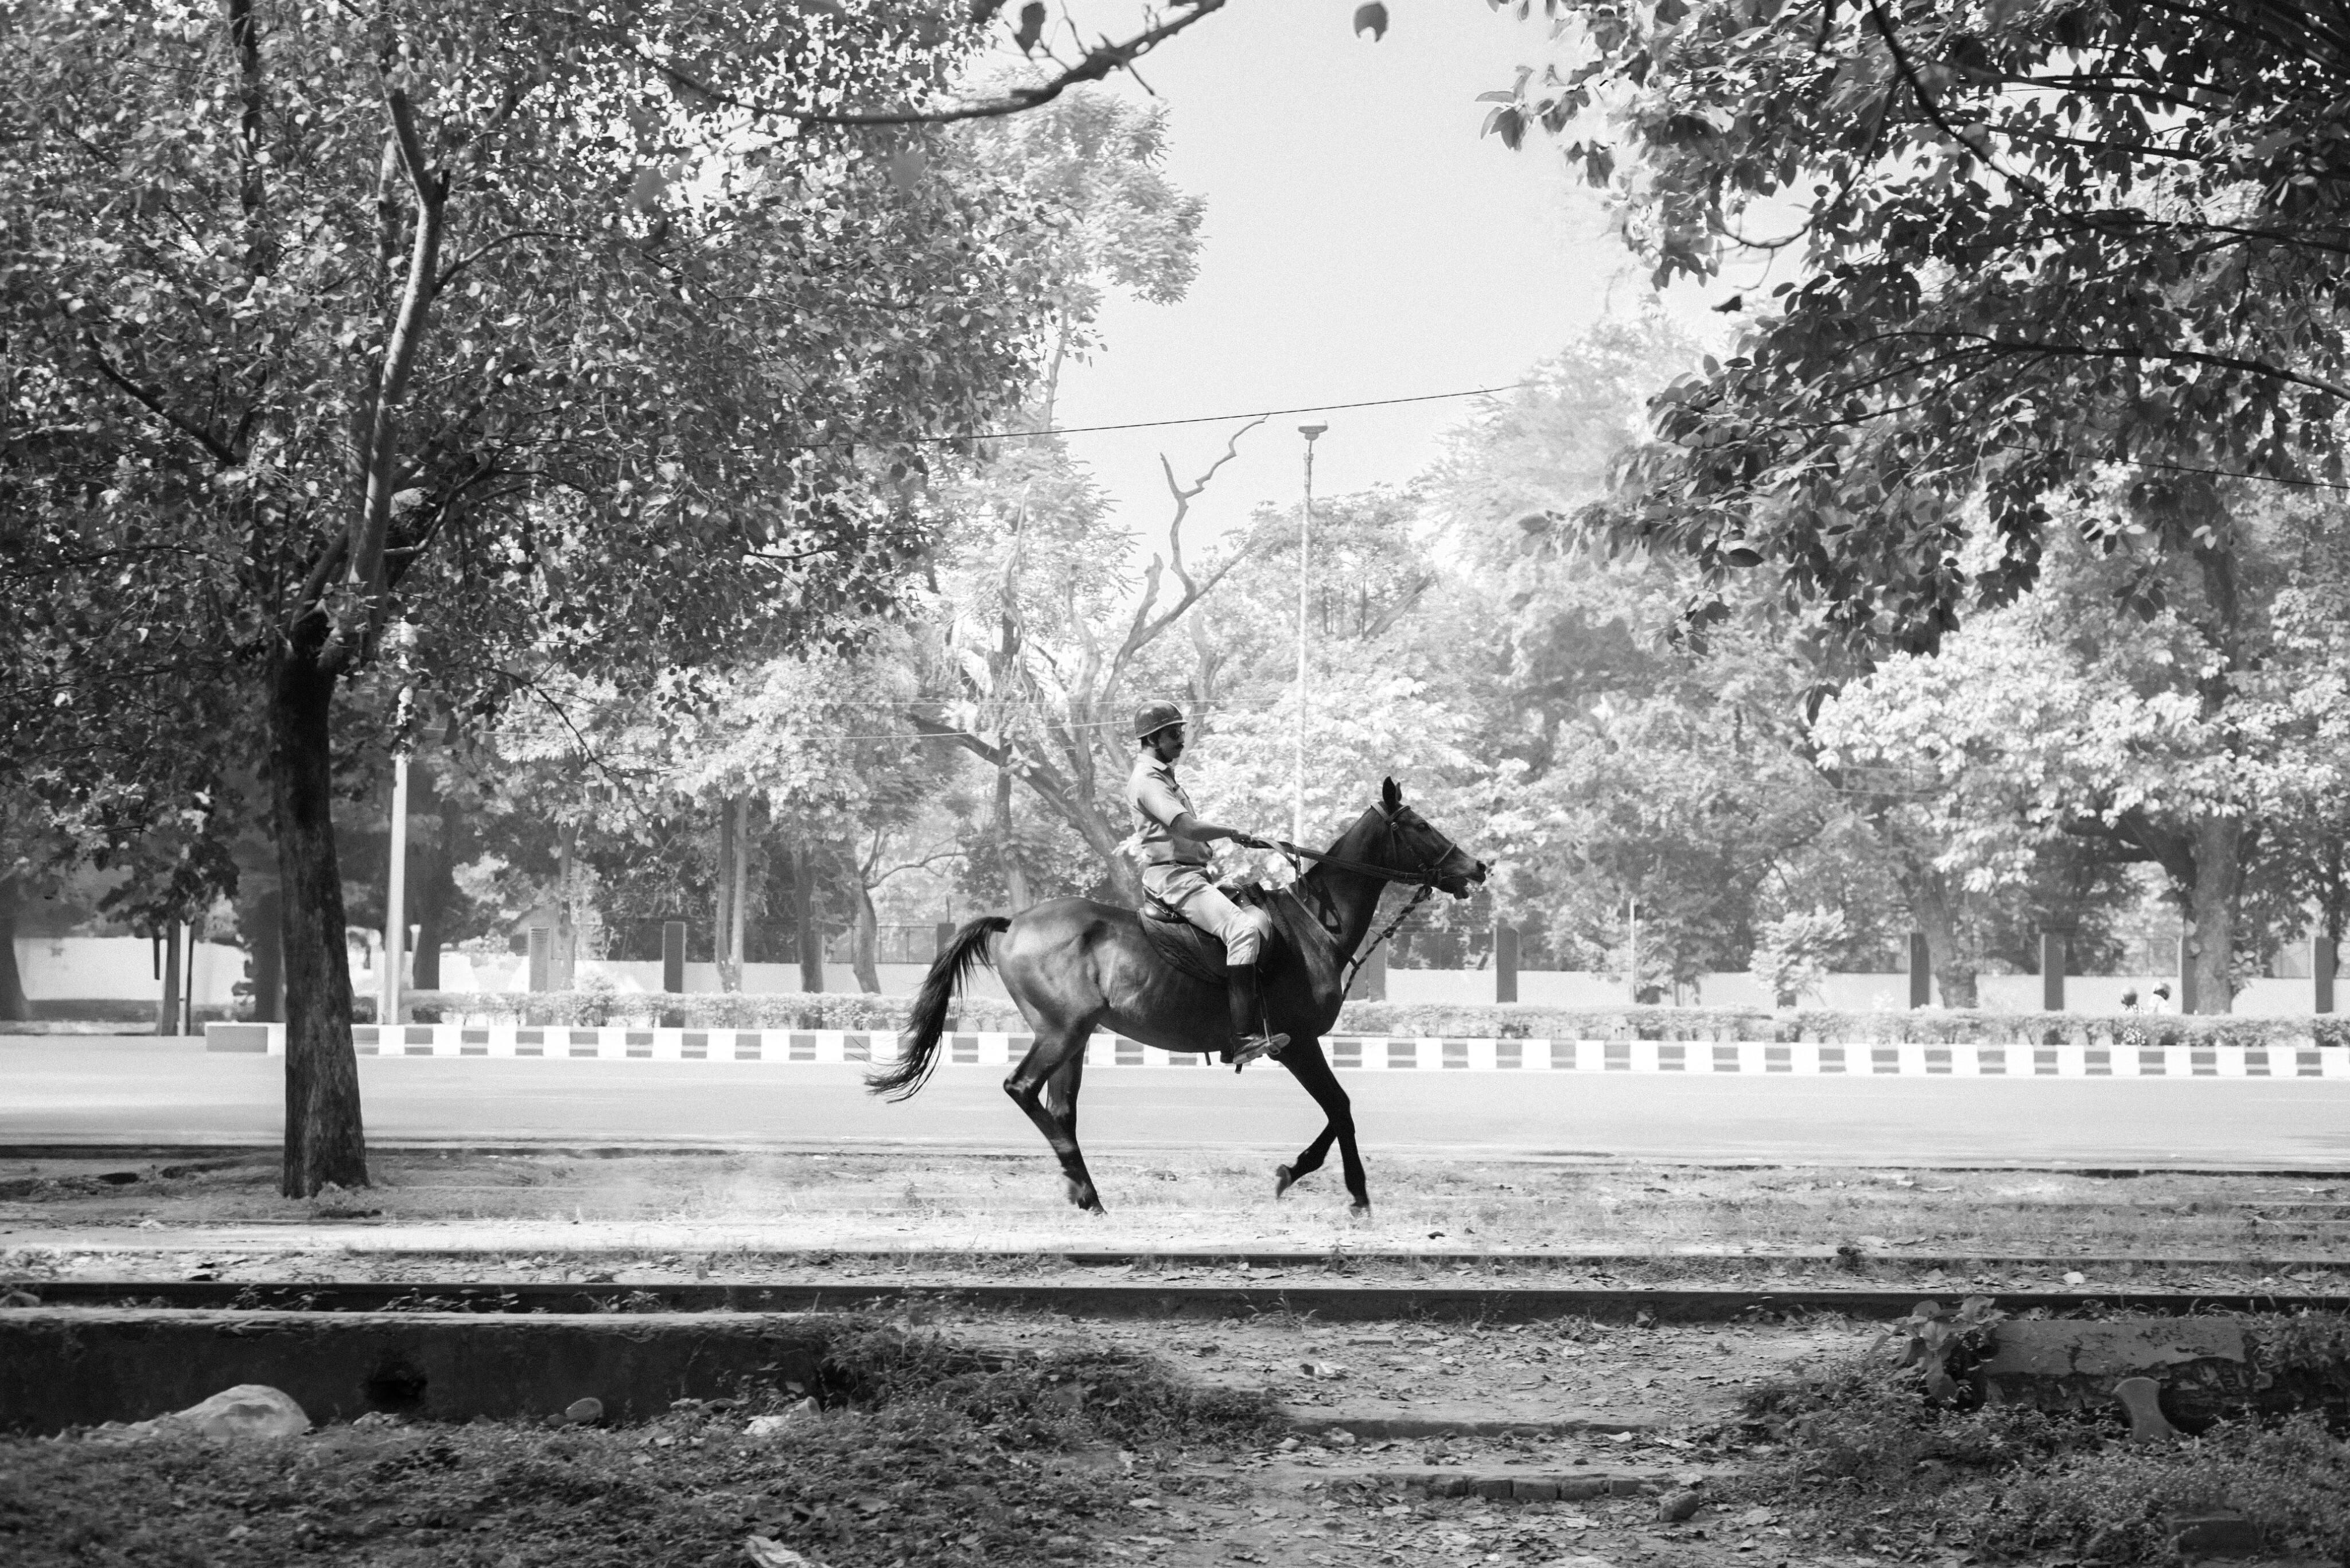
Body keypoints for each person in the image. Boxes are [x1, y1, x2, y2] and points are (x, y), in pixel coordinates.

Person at [1126, 701, 1291, 1068]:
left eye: (1181, 732)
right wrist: (1232, 832)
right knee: (1244, 931)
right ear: (1151, 738)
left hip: (1195, 875)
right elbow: (1185, 828)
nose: (1181, 739)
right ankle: (1242, 1037)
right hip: (1175, 880)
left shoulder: (1165, 777)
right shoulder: (1147, 780)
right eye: (1174, 733)